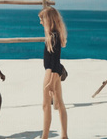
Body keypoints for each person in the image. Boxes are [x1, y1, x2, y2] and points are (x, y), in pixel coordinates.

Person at [38, 7, 68, 139]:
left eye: (41, 19)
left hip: (51, 73)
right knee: (59, 103)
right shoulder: (54, 35)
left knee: (46, 106)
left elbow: (54, 63)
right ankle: (64, 135)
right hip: (54, 72)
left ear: (48, 20)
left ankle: (44, 136)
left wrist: (50, 82)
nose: (40, 22)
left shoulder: (53, 37)